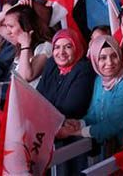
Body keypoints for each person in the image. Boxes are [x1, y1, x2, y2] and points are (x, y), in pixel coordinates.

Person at [69, 35, 123, 157]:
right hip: (111, 149)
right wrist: (79, 123)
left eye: (114, 56)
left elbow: (113, 124)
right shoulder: (99, 80)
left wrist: (79, 132)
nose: (109, 62)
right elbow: (94, 114)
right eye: (102, 58)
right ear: (94, 60)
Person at [40, 29, 97, 176]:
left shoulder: (84, 69)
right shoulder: (52, 64)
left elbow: (72, 108)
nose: (61, 52)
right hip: (46, 127)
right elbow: (37, 96)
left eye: (68, 46)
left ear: (77, 47)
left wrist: (41, 116)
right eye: (57, 47)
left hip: (70, 131)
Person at [0, 0, 52, 85]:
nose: (8, 31)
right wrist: (15, 7)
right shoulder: (17, 40)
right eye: (6, 26)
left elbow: (24, 77)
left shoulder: (46, 46)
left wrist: (25, 45)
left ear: (25, 26)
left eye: (11, 26)